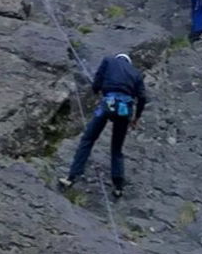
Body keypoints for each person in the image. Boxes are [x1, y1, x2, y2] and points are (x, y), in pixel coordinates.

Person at [56, 52, 147, 199]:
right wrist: (136, 117)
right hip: (124, 110)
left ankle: (71, 177)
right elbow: (142, 97)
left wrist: (97, 90)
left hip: (107, 104)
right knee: (116, 149)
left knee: (88, 139)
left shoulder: (109, 61)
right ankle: (118, 187)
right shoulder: (136, 73)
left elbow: (97, 81)